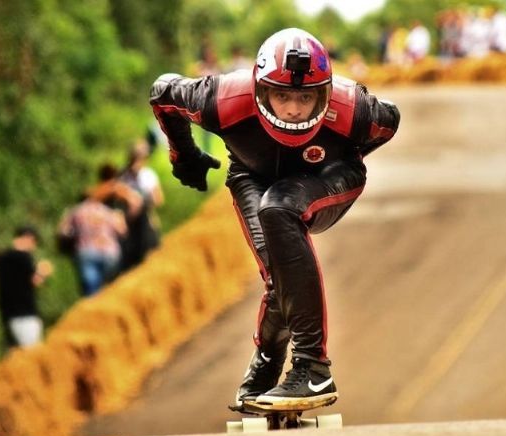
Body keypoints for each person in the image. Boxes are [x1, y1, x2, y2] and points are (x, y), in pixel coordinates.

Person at [149, 28, 400, 410]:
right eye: (282, 95)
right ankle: (267, 364)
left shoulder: (355, 110)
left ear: (326, 93)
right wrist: (183, 154)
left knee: (279, 205)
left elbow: (389, 122)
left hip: (328, 176)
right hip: (251, 175)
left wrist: (345, 158)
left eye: (306, 96)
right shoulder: (219, 99)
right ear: (259, 90)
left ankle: (313, 368)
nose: (294, 109)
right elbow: (163, 92)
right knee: (280, 279)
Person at [58, 183, 129, 297]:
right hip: (110, 254)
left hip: (86, 252)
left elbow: (63, 232)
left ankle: (93, 308)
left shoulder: (76, 211)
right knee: (107, 286)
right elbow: (122, 231)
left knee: (91, 290)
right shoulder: (108, 212)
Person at [0, 226, 53, 351]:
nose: (34, 247)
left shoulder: (2, 258)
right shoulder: (24, 257)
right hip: (25, 314)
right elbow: (34, 281)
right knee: (31, 354)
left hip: (7, 314)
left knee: (13, 355)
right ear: (29, 239)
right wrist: (43, 271)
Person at [119, 140, 164, 271]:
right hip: (129, 222)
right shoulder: (123, 176)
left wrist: (143, 202)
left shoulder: (149, 176)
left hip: (145, 219)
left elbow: (158, 199)